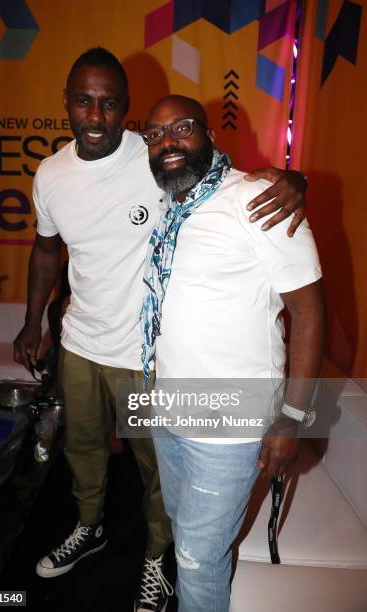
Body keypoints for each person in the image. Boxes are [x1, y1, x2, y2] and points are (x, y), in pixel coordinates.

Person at [13, 47, 309, 612]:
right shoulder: (50, 174)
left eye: (109, 104)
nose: (95, 116)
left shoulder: (155, 156)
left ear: (126, 111)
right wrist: (34, 322)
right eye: (83, 101)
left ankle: (157, 559)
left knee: (157, 469)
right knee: (84, 451)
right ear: (67, 104)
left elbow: (229, 182)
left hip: (145, 356)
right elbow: (46, 251)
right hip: (80, 342)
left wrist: (293, 180)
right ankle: (90, 524)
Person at [139, 94, 325, 612]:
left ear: (211, 135)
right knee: (188, 534)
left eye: (181, 128)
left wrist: (291, 419)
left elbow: (309, 313)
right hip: (171, 412)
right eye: (155, 135)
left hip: (231, 425)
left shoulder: (258, 199)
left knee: (197, 559)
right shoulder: (169, 207)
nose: (167, 143)